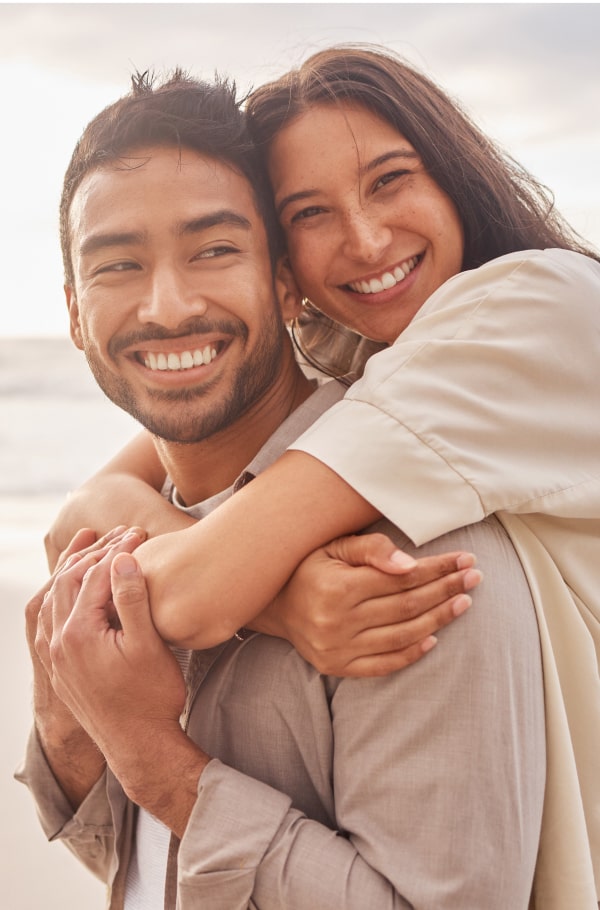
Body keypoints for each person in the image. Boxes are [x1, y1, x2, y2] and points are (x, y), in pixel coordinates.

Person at [47, 46, 600, 905]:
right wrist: (67, 717)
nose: (365, 240)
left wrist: (145, 749)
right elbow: (149, 864)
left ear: (280, 286)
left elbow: (190, 600)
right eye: (118, 264)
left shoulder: (414, 557)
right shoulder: (368, 362)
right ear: (74, 313)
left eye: (214, 248)